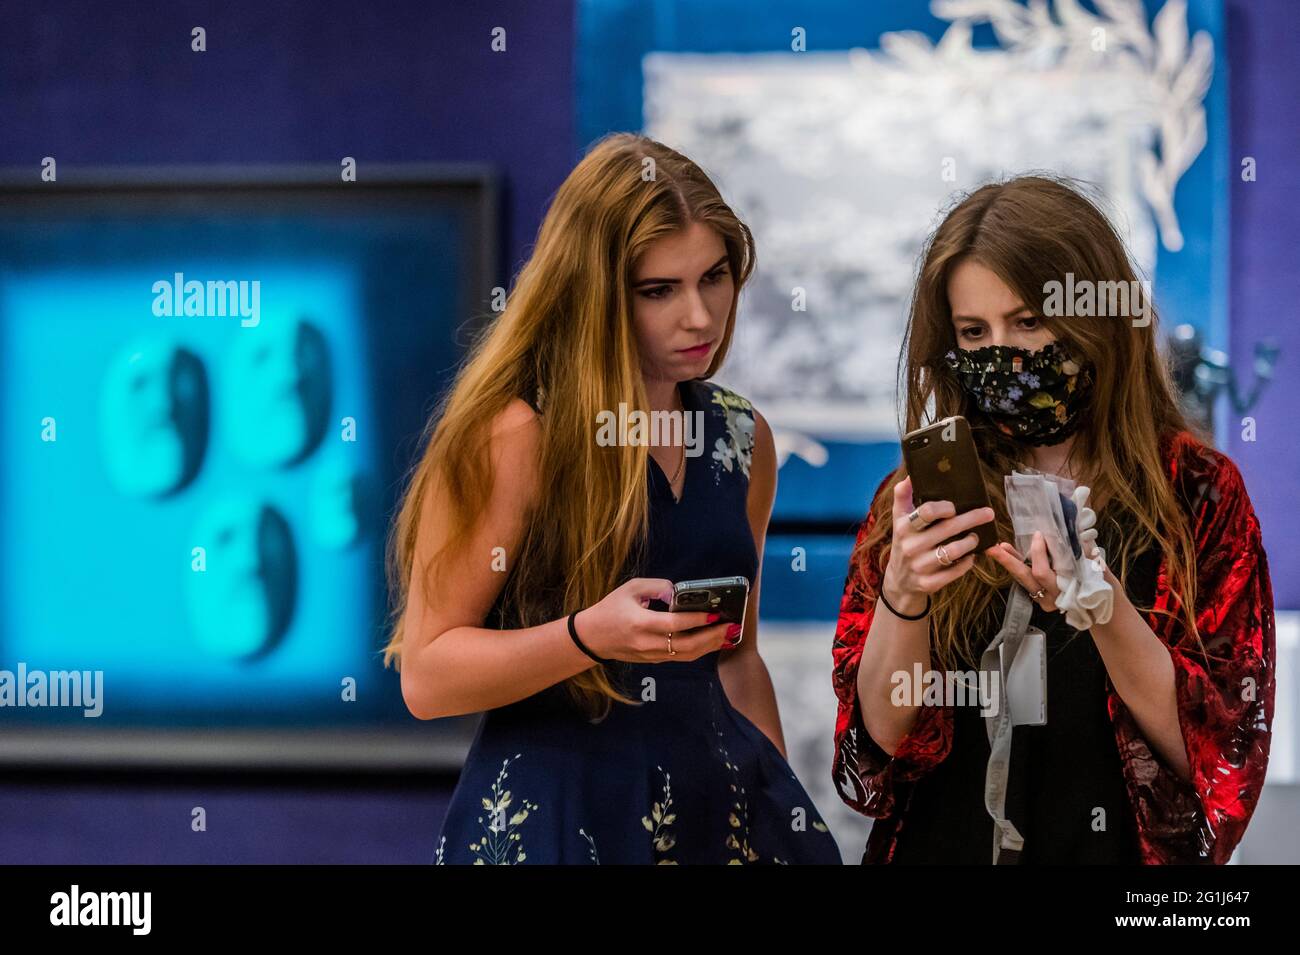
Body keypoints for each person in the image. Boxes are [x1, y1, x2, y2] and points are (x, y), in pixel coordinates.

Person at [386, 133, 842, 865]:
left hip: (710, 820)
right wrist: (586, 636)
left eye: (715, 277)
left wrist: (773, 818)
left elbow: (737, 658)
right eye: (659, 290)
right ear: (593, 293)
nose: (700, 316)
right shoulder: (514, 434)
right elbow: (428, 673)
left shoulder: (740, 436)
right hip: (554, 822)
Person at [831, 176, 1275, 865]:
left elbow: (1218, 756)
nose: (1004, 354)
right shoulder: (926, 493)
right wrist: (903, 598)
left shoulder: (1197, 494)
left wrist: (1104, 610)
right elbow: (877, 746)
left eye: (1030, 321)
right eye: (975, 332)